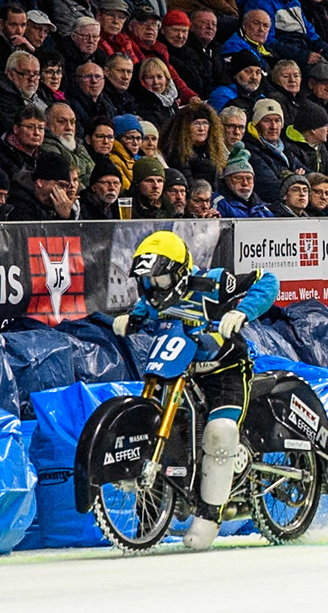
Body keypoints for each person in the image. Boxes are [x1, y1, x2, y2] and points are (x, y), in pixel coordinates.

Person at [111, 230, 279, 550]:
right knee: (158, 426)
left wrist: (241, 312)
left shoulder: (213, 282)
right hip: (179, 375)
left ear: (176, 272)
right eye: (146, 281)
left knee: (219, 431)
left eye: (158, 279)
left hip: (225, 371)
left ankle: (209, 515)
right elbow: (143, 313)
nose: (151, 287)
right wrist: (129, 320)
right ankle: (150, 517)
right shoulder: (152, 300)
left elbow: (266, 279)